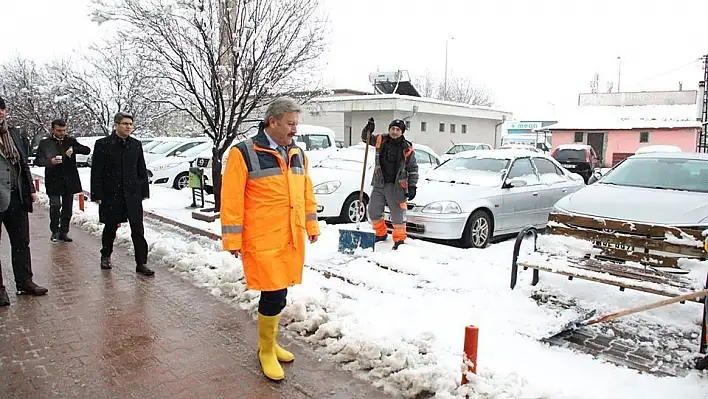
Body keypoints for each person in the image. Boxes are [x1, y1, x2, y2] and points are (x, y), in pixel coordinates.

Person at [220, 97, 320, 381]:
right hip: (262, 238)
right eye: (290, 124)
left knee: (281, 292)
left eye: (296, 124)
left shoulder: (298, 153)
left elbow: (306, 193)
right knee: (273, 293)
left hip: (290, 236)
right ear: (272, 121)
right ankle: (265, 349)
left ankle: (271, 342)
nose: (294, 130)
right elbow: (231, 199)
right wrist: (232, 239)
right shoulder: (244, 153)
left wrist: (311, 226)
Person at [90, 112, 153, 276]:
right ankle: (106, 255)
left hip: (132, 193)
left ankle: (141, 263)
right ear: (116, 125)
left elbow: (141, 169)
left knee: (137, 229)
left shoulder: (136, 145)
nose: (128, 127)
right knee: (111, 226)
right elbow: (97, 171)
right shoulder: (103, 144)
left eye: (130, 124)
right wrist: (97, 194)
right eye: (125, 124)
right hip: (112, 194)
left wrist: (144, 190)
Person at [0, 96, 48, 306]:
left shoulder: (14, 133)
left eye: (2, 110)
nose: (0, 113)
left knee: (21, 242)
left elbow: (23, 165)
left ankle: (24, 281)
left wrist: (29, 189)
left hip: (16, 195)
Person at [361, 117, 418, 250]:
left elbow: (413, 168)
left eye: (398, 130)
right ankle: (381, 233)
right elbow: (366, 138)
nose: (394, 131)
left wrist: (412, 186)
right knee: (373, 211)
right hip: (379, 182)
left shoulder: (407, 148)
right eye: (392, 128)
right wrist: (368, 129)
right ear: (389, 129)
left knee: (398, 215)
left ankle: (399, 240)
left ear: (402, 132)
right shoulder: (381, 139)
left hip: (397, 186)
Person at [34, 119, 91, 242]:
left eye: (64, 130)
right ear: (53, 130)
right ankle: (54, 230)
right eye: (59, 130)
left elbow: (87, 150)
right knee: (55, 206)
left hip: (69, 179)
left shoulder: (70, 141)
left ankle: (64, 232)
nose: (62, 133)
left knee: (67, 208)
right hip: (53, 179)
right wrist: (50, 162)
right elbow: (37, 161)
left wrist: (74, 149)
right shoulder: (45, 143)